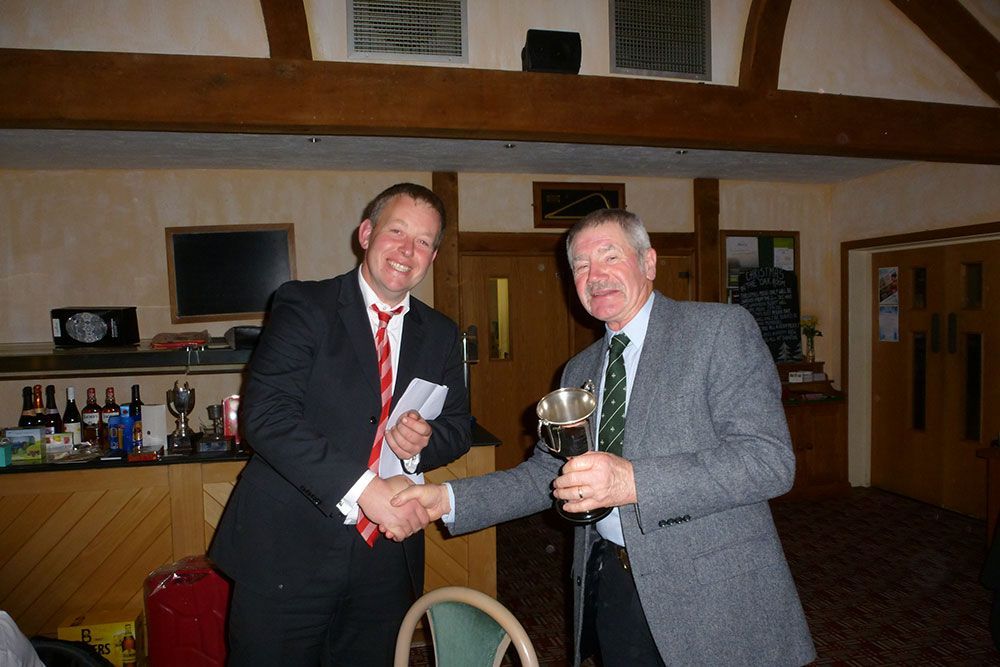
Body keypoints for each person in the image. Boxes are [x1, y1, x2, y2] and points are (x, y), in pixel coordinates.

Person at [391, 208, 816, 666]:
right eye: (581, 266)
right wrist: (445, 499)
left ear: (648, 263)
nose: (596, 276)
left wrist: (632, 481)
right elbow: (547, 476)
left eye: (610, 257)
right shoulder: (580, 369)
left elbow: (768, 461)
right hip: (611, 581)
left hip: (713, 593)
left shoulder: (717, 331)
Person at [210, 183, 472, 666]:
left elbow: (459, 426)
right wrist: (366, 489)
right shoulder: (304, 305)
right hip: (288, 550)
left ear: (433, 257)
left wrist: (422, 443)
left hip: (385, 561)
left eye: (423, 242)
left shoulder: (439, 333)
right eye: (397, 232)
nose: (407, 250)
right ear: (366, 234)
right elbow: (266, 417)